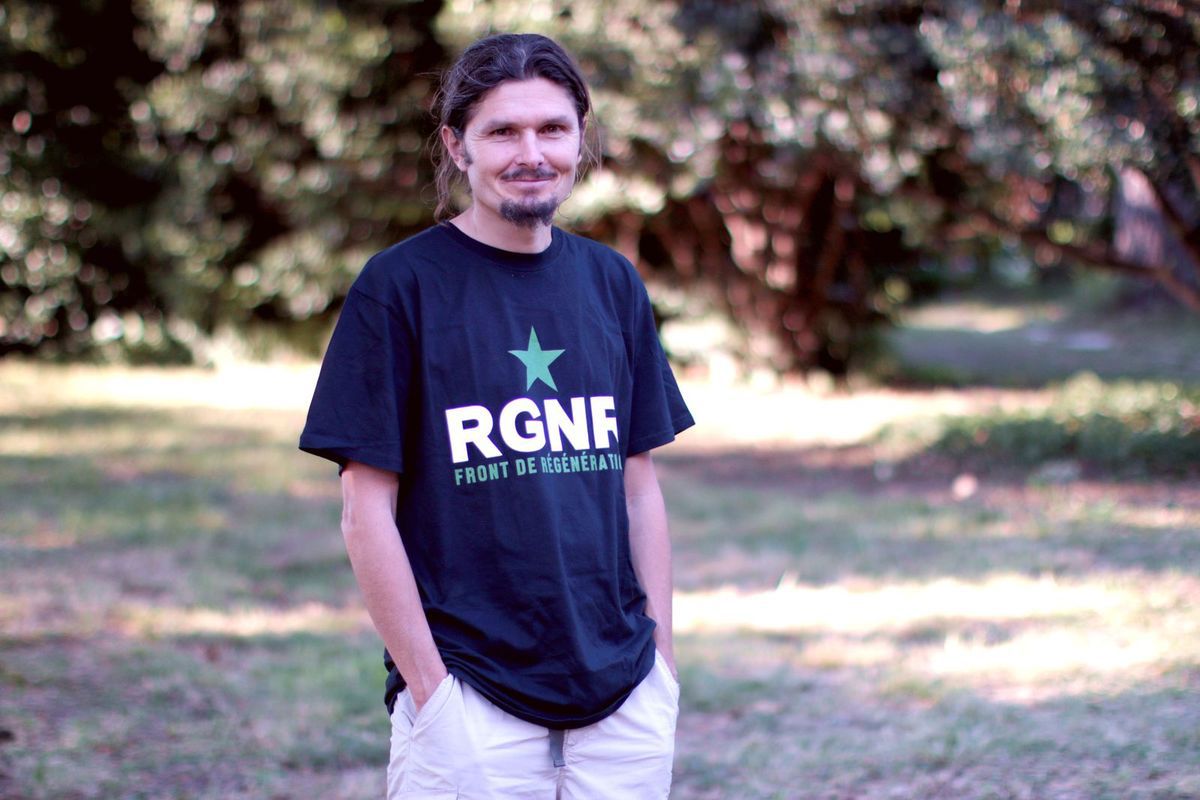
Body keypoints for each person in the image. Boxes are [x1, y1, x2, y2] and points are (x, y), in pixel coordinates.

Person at [299, 32, 694, 799]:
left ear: (580, 138)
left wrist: (663, 667)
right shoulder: (400, 287)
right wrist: (431, 692)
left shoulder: (611, 282)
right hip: (470, 698)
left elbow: (638, 489)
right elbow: (364, 511)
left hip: (623, 695)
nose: (531, 153)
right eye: (503, 131)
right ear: (458, 145)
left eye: (552, 128)